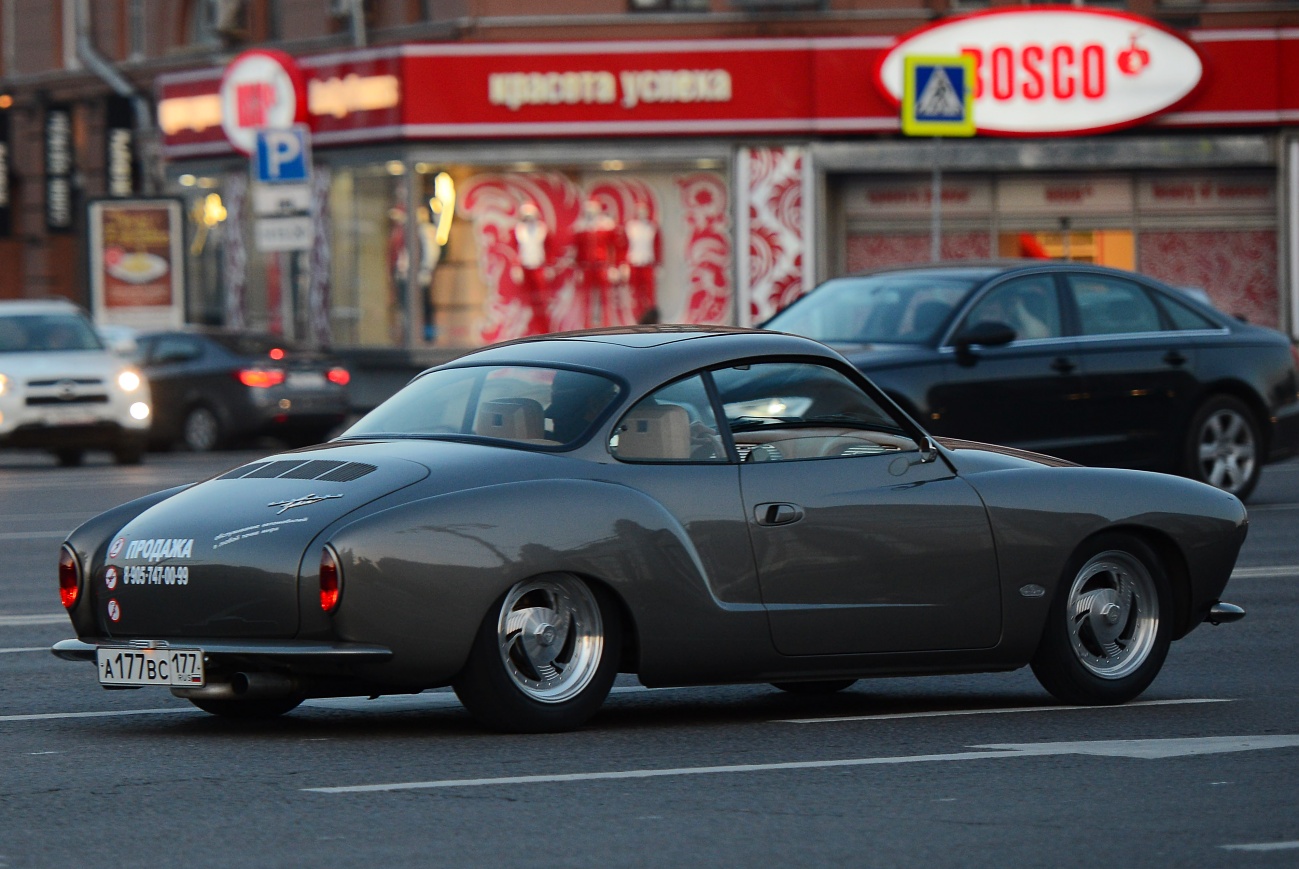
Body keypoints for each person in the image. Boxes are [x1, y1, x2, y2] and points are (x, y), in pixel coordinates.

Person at [510, 203, 552, 334]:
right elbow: (514, 249)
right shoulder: (518, 230)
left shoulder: (542, 230)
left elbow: (549, 249)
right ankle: (529, 329)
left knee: (541, 300)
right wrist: (516, 267)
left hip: (538, 267)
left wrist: (548, 266)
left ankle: (544, 330)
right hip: (525, 268)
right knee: (526, 300)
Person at [622, 202, 661, 324]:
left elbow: (657, 246)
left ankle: (651, 320)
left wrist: (659, 264)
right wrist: (623, 264)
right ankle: (637, 319)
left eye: (644, 210)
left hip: (647, 263)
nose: (642, 213)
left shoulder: (652, 228)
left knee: (649, 294)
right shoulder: (630, 227)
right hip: (634, 263)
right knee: (635, 294)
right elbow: (624, 246)